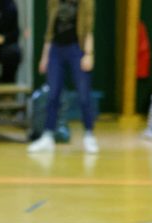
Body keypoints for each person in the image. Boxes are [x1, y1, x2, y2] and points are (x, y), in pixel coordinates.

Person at [28, 0, 97, 154]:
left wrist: (88, 54)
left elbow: (88, 28)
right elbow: (50, 29)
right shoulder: (53, 2)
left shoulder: (86, 3)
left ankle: (89, 135)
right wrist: (45, 57)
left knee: (84, 94)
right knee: (53, 95)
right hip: (56, 50)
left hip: (76, 49)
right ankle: (48, 136)